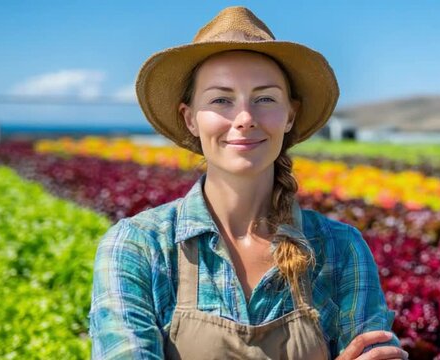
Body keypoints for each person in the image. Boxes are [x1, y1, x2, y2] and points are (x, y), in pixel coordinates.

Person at [89, 6, 407, 360]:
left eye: (265, 98)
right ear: (190, 118)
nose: (245, 118)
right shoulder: (140, 247)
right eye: (222, 99)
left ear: (291, 114)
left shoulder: (340, 250)